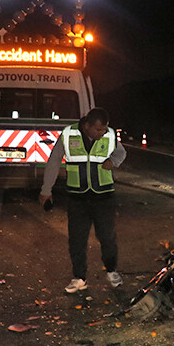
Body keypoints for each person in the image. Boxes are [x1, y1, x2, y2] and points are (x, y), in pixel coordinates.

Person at [40, 107, 127, 293]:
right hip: (77, 197)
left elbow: (121, 153)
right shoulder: (69, 134)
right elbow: (54, 161)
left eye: (104, 129)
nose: (102, 133)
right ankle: (79, 278)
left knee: (107, 237)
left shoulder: (110, 135)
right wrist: (46, 189)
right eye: (98, 130)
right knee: (77, 240)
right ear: (87, 125)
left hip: (104, 196)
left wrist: (114, 161)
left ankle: (112, 271)